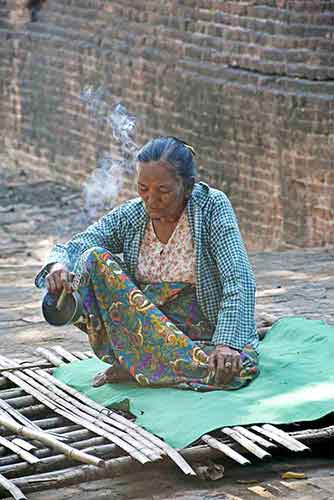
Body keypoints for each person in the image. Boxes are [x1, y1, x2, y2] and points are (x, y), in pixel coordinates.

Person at [35, 136, 259, 391]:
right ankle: (144, 362)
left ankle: (142, 365)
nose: (151, 199)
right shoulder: (133, 214)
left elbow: (238, 278)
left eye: (163, 191)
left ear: (187, 187)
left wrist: (227, 344)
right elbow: (76, 245)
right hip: (143, 329)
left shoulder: (211, 207)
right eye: (143, 189)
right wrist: (57, 267)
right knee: (92, 259)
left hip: (203, 331)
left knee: (237, 368)